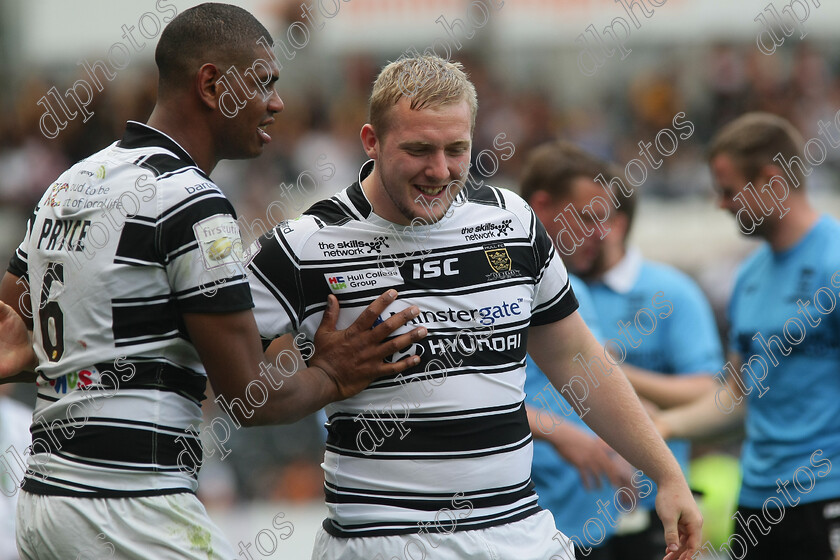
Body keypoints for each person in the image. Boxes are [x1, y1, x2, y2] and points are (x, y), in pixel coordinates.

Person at [0, 4, 425, 559]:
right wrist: (333, 373)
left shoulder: (68, 184)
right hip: (130, 502)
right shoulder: (192, 203)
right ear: (210, 84)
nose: (276, 104)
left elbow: (15, 329)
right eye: (265, 83)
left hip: (42, 504)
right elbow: (248, 396)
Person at [245, 54, 702, 560]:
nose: (440, 171)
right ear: (370, 141)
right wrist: (325, 378)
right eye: (418, 149)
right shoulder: (303, 247)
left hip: (518, 534)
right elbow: (240, 396)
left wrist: (666, 473)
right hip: (380, 541)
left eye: (456, 150)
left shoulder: (512, 222)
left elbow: (580, 361)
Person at [519, 140, 723, 559]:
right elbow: (462, 393)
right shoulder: (506, 284)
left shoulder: (585, 286)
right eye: (591, 219)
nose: (601, 233)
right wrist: (562, 434)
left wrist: (627, 400)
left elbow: (713, 391)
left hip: (609, 517)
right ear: (542, 207)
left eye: (607, 219)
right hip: (528, 516)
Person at [658, 112, 840, 560]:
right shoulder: (748, 276)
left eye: (727, 190)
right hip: (756, 504)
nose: (721, 204)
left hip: (828, 499)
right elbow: (738, 396)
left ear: (772, 181)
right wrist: (661, 427)